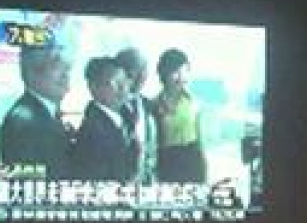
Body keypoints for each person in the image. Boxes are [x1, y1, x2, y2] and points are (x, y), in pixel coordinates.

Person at [0, 44, 75, 179]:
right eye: (56, 66)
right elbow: (28, 181)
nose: (65, 75)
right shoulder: (25, 124)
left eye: (67, 68)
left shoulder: (46, 115)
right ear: (31, 73)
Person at [71, 57, 135, 181]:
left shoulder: (126, 119)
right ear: (93, 87)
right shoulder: (92, 129)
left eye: (125, 82)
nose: (122, 88)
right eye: (114, 83)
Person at [153, 48, 207, 183]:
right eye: (176, 72)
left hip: (192, 159)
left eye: (185, 71)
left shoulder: (193, 102)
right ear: (164, 73)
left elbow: (200, 140)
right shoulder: (154, 104)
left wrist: (204, 167)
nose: (181, 77)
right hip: (168, 161)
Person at [114, 47, 159, 184]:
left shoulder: (149, 105)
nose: (139, 76)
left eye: (143, 70)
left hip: (147, 183)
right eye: (132, 72)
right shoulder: (111, 106)